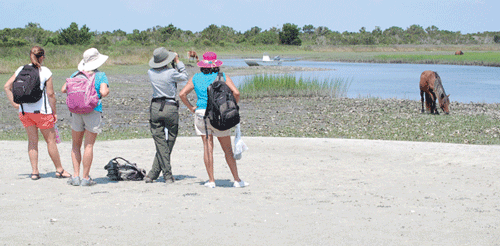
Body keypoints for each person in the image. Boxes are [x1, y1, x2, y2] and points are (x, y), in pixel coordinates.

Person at [179, 52, 248, 188]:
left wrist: (191, 108)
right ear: (216, 65)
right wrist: (232, 105)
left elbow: (182, 94)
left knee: (207, 147)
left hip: (201, 114)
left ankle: (211, 181)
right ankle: (237, 180)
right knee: (227, 149)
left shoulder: (195, 77)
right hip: (219, 115)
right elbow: (236, 93)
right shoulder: (222, 76)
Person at [3, 46, 71, 180]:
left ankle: (34, 172)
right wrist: (54, 112)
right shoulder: (45, 71)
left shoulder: (20, 69)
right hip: (42, 113)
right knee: (50, 141)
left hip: (25, 112)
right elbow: (50, 94)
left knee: (32, 142)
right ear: (42, 57)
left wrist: (15, 104)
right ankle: (59, 170)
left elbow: (6, 86)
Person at [61, 48, 110, 186]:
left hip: (76, 112)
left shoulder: (75, 74)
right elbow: (104, 92)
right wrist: (102, 93)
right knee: (88, 145)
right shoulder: (100, 75)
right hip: (93, 111)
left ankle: (75, 176)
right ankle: (85, 177)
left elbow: (64, 89)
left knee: (75, 145)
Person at [145, 47, 188, 184]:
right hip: (170, 107)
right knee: (171, 137)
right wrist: (178, 62)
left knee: (160, 141)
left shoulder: (150, 72)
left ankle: (153, 173)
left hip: (155, 106)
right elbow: (184, 77)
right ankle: (167, 175)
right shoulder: (171, 73)